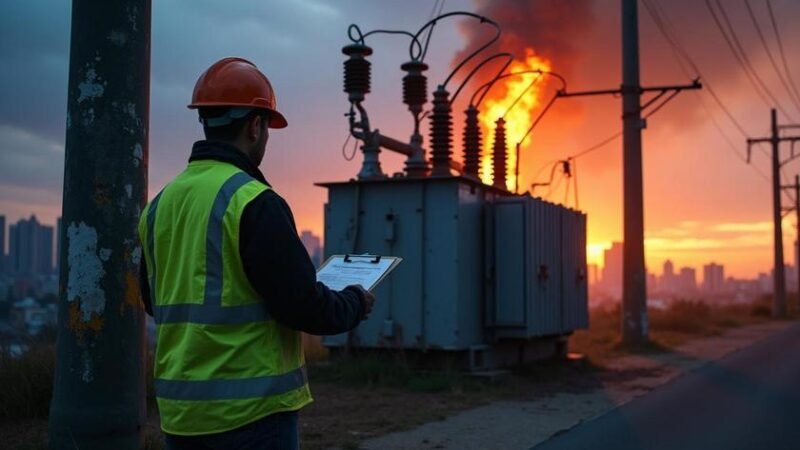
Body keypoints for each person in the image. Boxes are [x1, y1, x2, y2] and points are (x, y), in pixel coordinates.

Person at [138, 57, 375, 450]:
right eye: (266, 128)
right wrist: (354, 302)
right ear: (255, 125)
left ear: (206, 122)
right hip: (251, 416)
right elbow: (303, 305)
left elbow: (154, 300)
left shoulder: (159, 206)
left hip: (181, 417)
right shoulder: (253, 201)